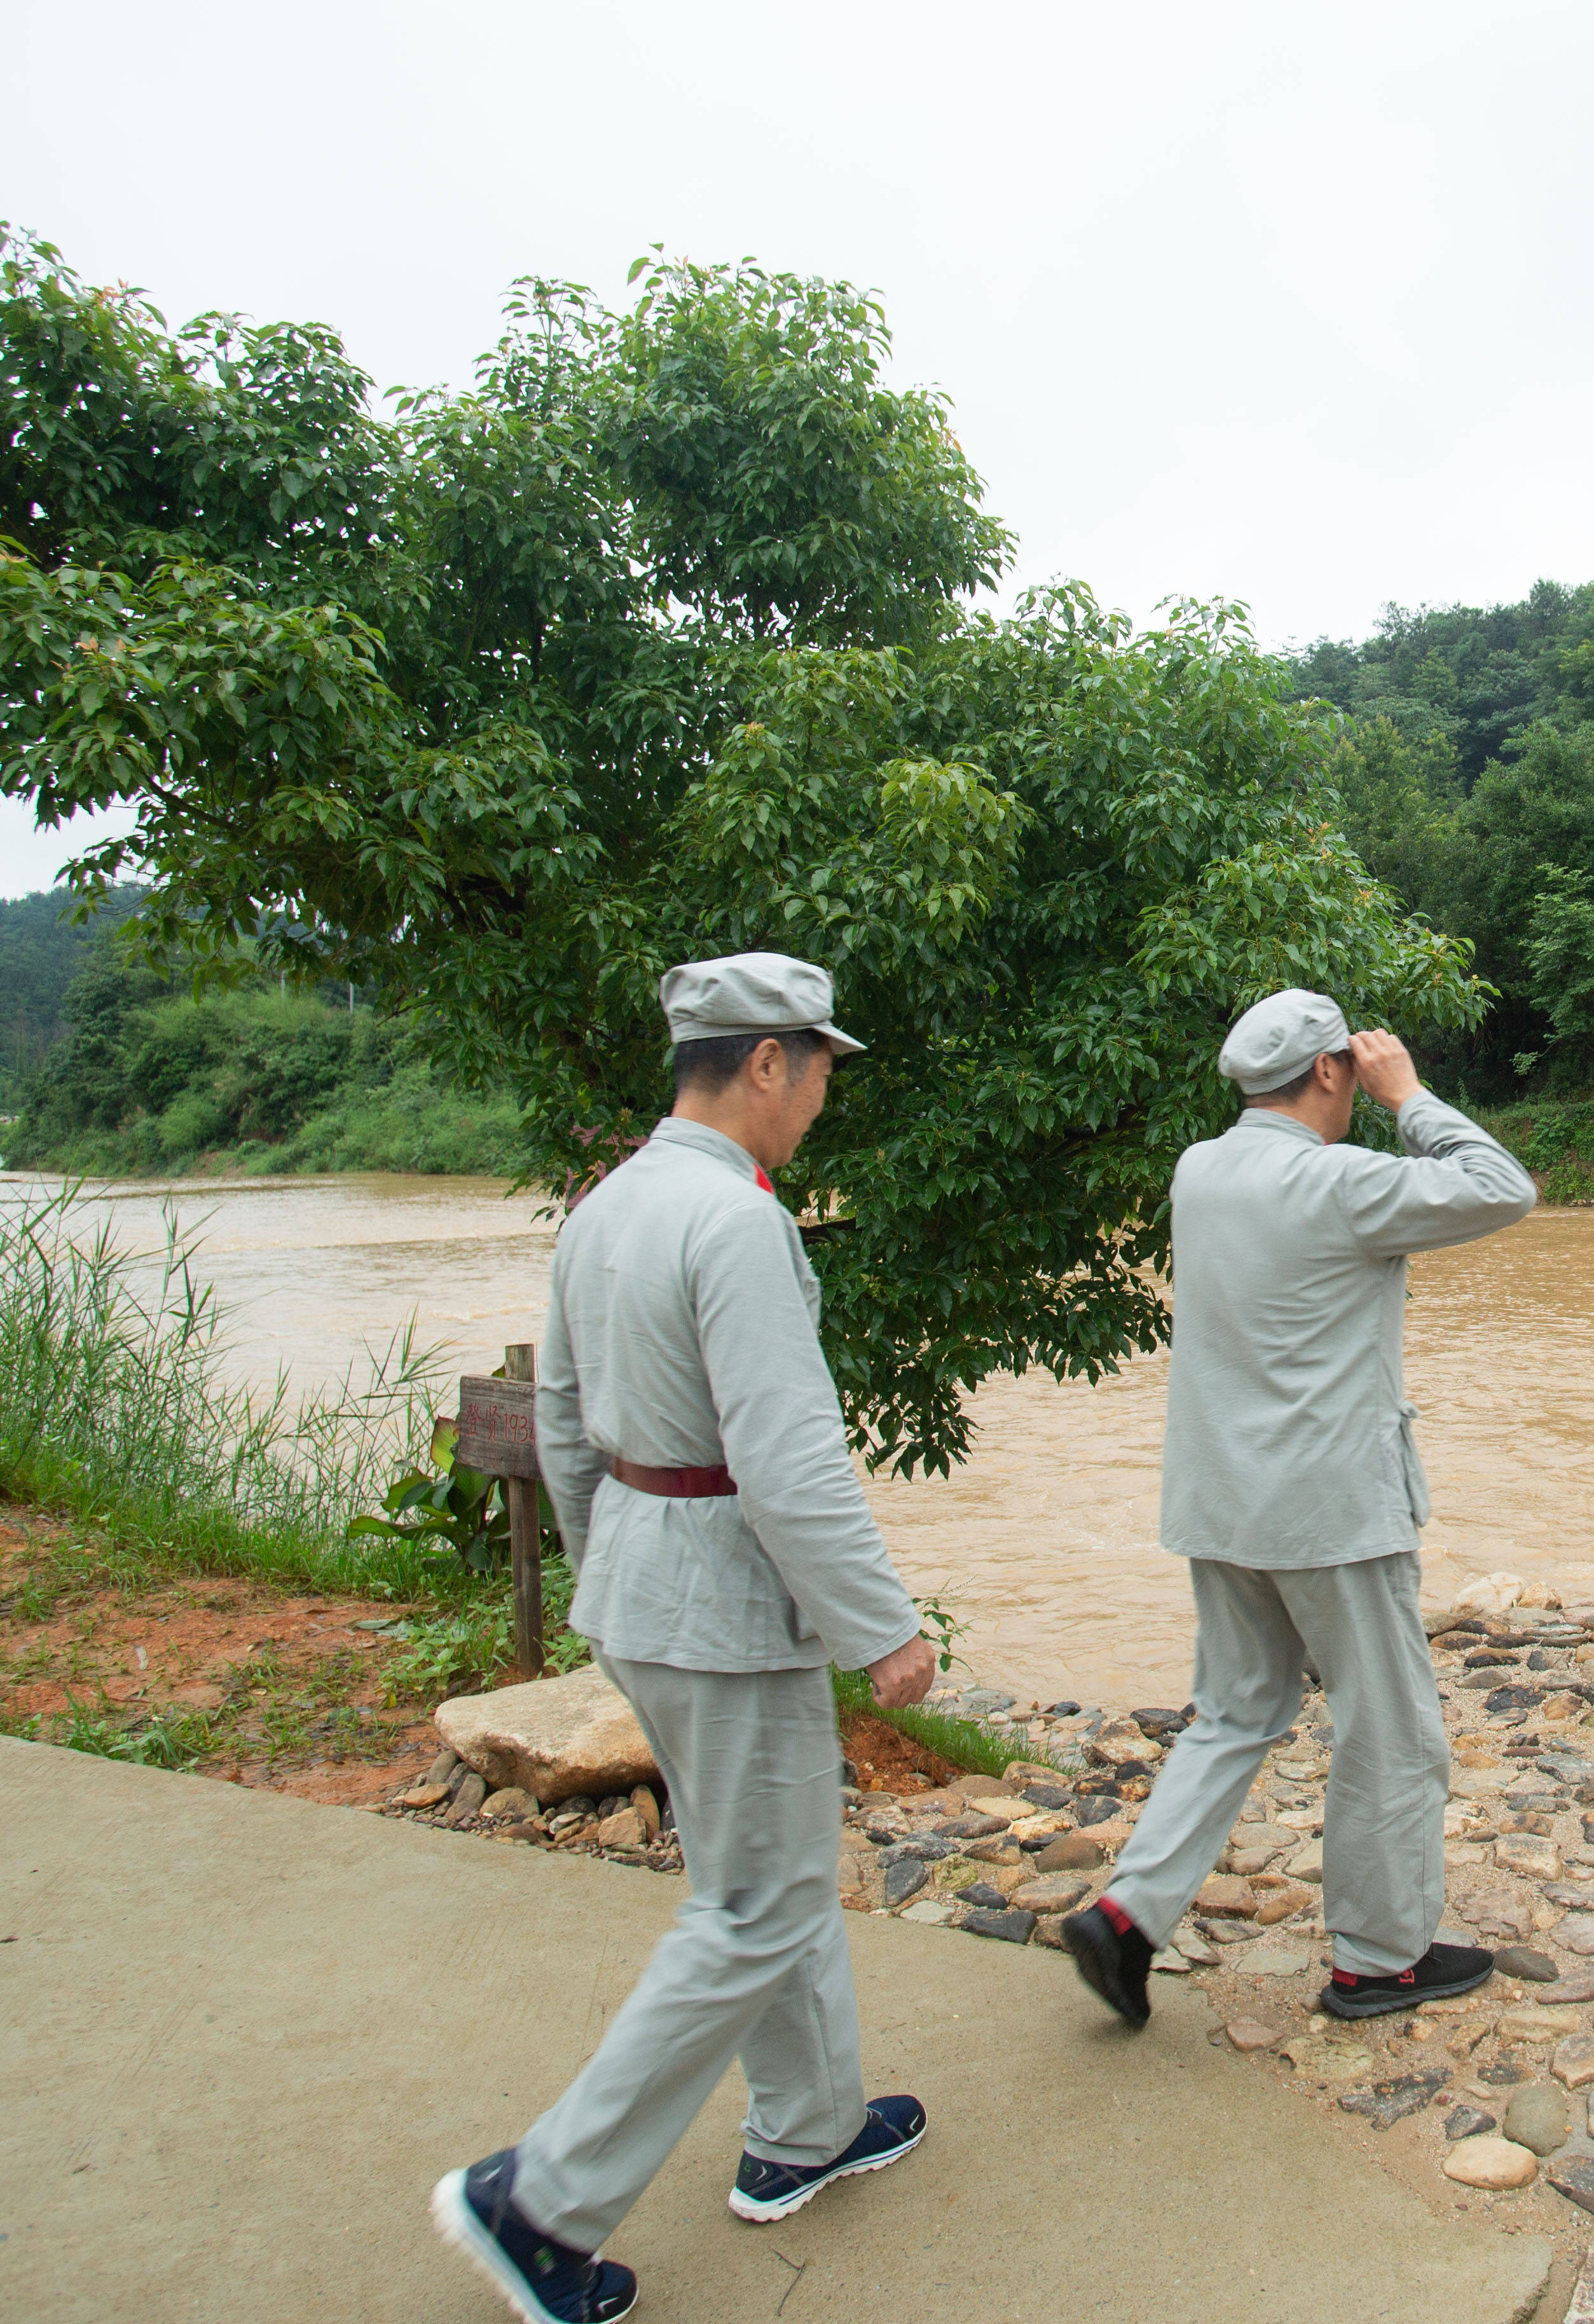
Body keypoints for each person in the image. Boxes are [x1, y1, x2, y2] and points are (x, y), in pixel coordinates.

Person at [435, 954, 942, 2324]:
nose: (826, 1089)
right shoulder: (736, 1223)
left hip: (648, 1589)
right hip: (728, 1604)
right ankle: (542, 2202)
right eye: (822, 1063)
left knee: (754, 1869)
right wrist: (881, 1626)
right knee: (758, 1899)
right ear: (767, 1061)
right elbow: (787, 1459)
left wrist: (621, 1578)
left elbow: (562, 1423)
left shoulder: (605, 1210)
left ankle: (809, 2125)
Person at [1061, 990, 1535, 2032]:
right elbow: (1503, 1188)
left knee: (1236, 1711)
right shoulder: (1340, 1183)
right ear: (1332, 1072)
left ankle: (1130, 1912)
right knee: (1390, 1728)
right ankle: (1378, 1960)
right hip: (1330, 1510)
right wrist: (1411, 1096)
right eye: (1353, 1071)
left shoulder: (1200, 1170)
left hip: (1221, 1499)